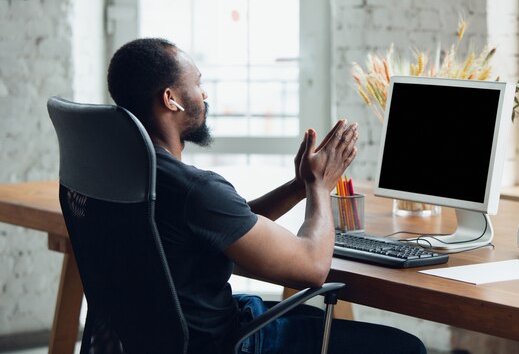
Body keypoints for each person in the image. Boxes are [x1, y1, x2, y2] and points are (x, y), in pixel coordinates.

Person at [107, 37, 427, 354]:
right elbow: (312, 268)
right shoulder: (195, 190)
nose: (204, 95)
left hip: (173, 336)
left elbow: (227, 221)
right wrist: (319, 186)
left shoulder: (123, 176)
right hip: (227, 343)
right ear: (170, 99)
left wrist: (298, 185)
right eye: (197, 84)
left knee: (311, 318)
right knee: (406, 347)